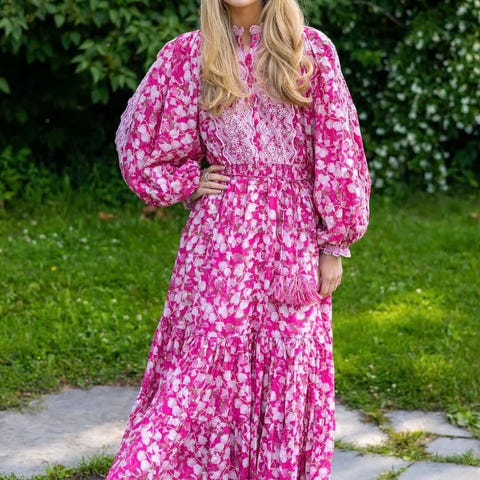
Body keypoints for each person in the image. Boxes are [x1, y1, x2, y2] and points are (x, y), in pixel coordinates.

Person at [106, 0, 371, 478]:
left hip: (293, 236)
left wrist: (335, 243)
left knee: (288, 358)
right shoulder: (190, 53)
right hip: (222, 234)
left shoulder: (309, 50)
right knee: (205, 356)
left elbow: (338, 148)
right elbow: (140, 144)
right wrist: (187, 181)